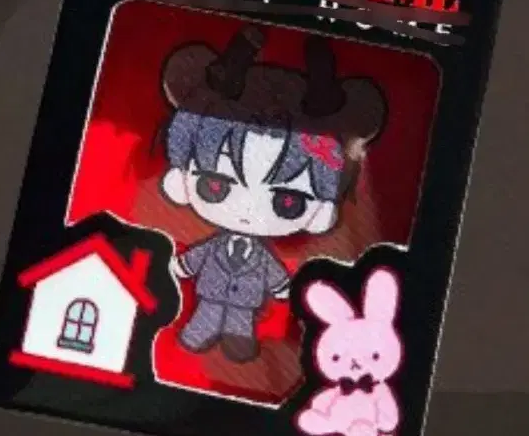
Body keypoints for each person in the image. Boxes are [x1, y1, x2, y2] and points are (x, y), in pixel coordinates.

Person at [159, 25, 387, 363]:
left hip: (247, 304)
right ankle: (199, 333)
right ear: (182, 180)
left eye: (288, 202)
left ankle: (236, 339)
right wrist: (179, 267)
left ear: (320, 210)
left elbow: (273, 273)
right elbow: (198, 257)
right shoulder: (216, 246)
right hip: (209, 294)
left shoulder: (263, 256)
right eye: (217, 186)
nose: (248, 210)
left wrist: (283, 289)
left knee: (239, 325)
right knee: (203, 321)